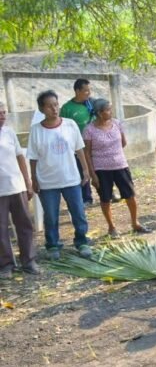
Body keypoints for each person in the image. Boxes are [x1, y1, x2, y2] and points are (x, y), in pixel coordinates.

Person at [27, 90, 92, 260]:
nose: (54, 109)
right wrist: (33, 178)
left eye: (56, 105)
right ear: (42, 109)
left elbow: (79, 149)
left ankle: (82, 241)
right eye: (49, 106)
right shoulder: (36, 130)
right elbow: (33, 157)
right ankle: (53, 245)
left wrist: (85, 170)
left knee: (78, 212)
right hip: (47, 181)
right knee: (51, 215)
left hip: (71, 178)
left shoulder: (70, 125)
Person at [83, 99, 150, 239]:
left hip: (120, 165)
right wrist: (92, 174)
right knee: (105, 198)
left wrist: (114, 153)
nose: (111, 112)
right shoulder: (89, 130)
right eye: (108, 110)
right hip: (101, 169)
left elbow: (123, 142)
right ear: (100, 113)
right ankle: (111, 227)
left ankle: (135, 223)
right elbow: (87, 153)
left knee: (130, 195)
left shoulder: (117, 124)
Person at [0, 101, 39, 278]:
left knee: (25, 224)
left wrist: (27, 182)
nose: (2, 116)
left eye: (4, 112)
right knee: (1, 229)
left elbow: (20, 157)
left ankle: (29, 261)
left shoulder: (9, 132)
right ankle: (6, 264)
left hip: (16, 186)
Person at [60, 78, 95, 206]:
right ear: (77, 91)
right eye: (86, 90)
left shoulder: (92, 103)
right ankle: (86, 198)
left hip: (95, 144)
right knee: (82, 171)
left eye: (89, 90)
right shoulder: (67, 108)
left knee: (100, 170)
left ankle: (107, 192)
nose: (89, 93)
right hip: (78, 147)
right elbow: (62, 128)